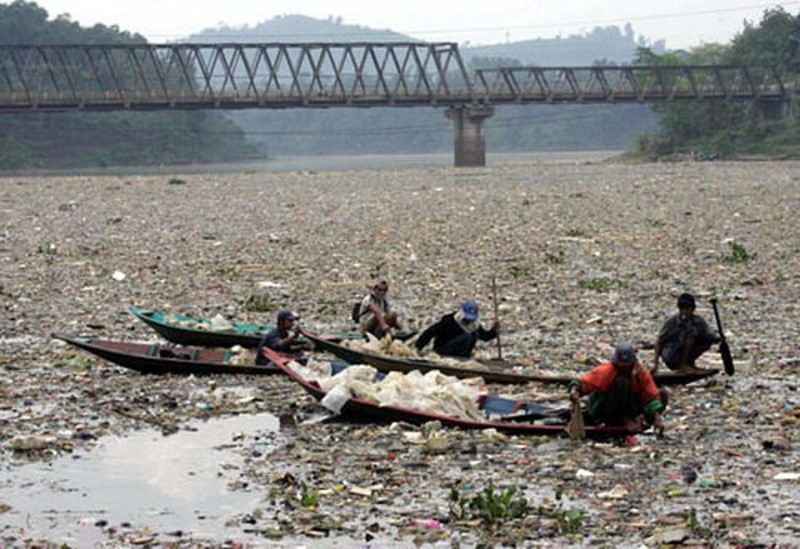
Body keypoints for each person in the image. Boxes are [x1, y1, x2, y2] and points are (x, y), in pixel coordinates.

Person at [569, 342, 666, 433]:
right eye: (621, 368)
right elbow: (583, 383)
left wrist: (656, 416)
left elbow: (650, 395)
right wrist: (575, 390)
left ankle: (642, 420)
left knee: (662, 394)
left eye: (627, 367)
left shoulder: (640, 372)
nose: (624, 370)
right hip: (606, 408)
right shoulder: (607, 371)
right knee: (622, 383)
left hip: (631, 406)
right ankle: (625, 420)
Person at [652, 293, 721, 373]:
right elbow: (659, 342)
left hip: (685, 353)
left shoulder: (698, 321)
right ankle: (683, 365)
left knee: (706, 340)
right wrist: (655, 364)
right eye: (682, 309)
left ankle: (689, 363)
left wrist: (718, 339)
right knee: (690, 336)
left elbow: (709, 335)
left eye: (688, 309)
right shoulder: (672, 322)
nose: (685, 312)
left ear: (692, 309)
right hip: (672, 355)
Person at [414, 300, 499, 358]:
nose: (468, 321)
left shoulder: (474, 325)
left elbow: (484, 336)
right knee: (467, 336)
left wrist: (494, 331)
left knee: (474, 335)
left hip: (461, 354)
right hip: (443, 350)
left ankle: (464, 357)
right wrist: (419, 346)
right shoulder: (450, 320)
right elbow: (430, 332)